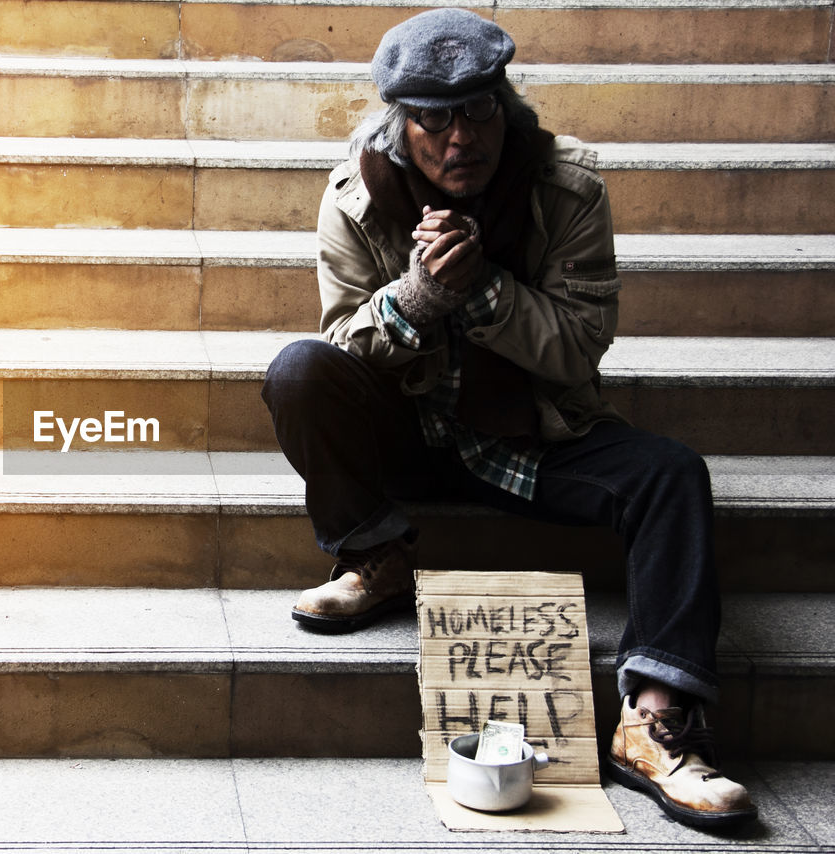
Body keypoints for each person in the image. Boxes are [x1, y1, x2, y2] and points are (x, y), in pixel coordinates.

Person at [260, 8, 756, 830]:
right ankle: (375, 554)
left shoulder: (569, 189)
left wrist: (487, 291)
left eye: (480, 109)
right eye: (434, 118)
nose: (461, 138)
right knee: (300, 371)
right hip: (414, 431)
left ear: (506, 106)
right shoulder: (354, 197)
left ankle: (652, 720)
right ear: (399, 125)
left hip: (537, 437)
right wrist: (419, 298)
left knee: (671, 475)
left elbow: (579, 347)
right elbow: (346, 339)